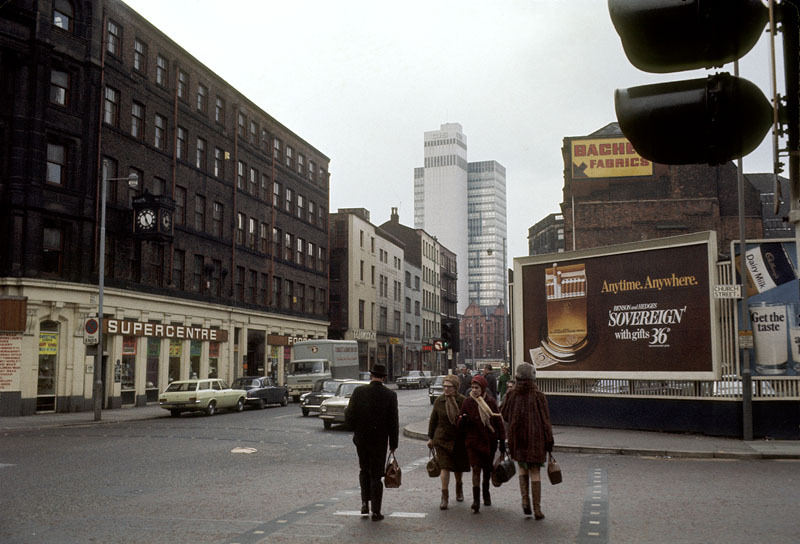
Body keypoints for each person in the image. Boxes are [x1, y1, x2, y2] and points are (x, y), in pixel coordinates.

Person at [345, 363, 399, 521]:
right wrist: (393, 443)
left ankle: (364, 503)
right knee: (376, 475)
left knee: (364, 470)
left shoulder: (359, 392)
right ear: (384, 377)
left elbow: (349, 416)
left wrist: (356, 431)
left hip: (361, 439)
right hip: (379, 441)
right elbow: (393, 422)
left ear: (371, 375)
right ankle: (376, 510)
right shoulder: (390, 395)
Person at [500, 362, 554, 520]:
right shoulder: (539, 396)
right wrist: (549, 441)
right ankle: (537, 509)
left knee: (522, 468)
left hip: (517, 438)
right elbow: (545, 421)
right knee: (535, 471)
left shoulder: (511, 394)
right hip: (535, 439)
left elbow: (504, 414)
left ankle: (525, 501)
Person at [459, 374, 505, 513]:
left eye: (477, 387)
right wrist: (464, 420)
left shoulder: (490, 402)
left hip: (488, 441)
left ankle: (486, 492)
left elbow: (498, 422)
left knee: (486, 469)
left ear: (483, 388)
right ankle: (476, 500)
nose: (474, 390)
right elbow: (460, 420)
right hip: (473, 441)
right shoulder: (467, 402)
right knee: (476, 469)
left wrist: (502, 440)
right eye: (472, 387)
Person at [427, 374, 470, 510]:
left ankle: (459, 488)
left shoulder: (463, 401)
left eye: (449, 387)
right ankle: (444, 497)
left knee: (457, 468)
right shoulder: (439, 401)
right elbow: (433, 420)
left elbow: (468, 421)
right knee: (444, 467)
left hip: (458, 440)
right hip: (442, 439)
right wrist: (430, 438)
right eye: (444, 386)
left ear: (455, 388)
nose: (446, 389)